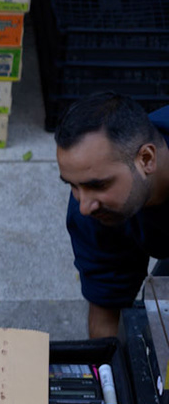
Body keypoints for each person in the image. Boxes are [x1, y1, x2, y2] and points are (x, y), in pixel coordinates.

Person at [55, 93, 169, 339]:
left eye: (98, 185)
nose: (85, 206)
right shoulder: (93, 212)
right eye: (73, 185)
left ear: (146, 159)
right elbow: (106, 307)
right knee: (155, 319)